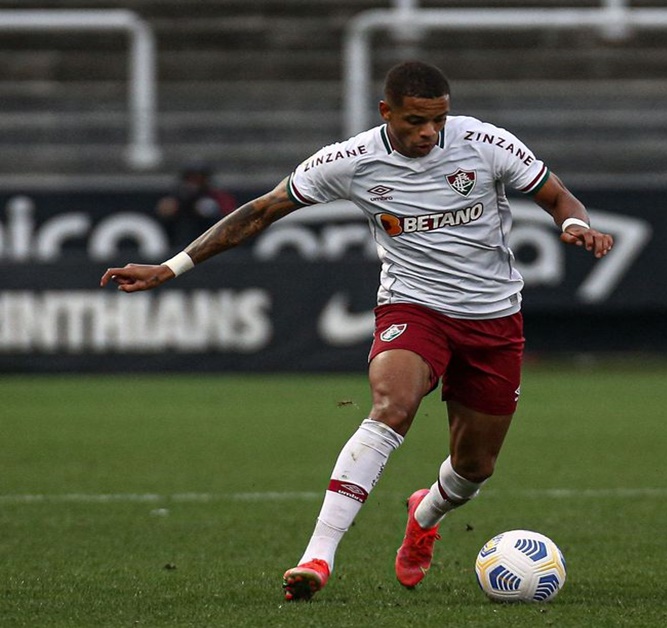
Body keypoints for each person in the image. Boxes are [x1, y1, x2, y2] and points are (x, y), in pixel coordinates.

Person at [100, 61, 614, 602]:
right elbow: (261, 211)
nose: (428, 133)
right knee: (393, 405)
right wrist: (171, 266)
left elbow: (558, 197)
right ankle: (317, 556)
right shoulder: (350, 160)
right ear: (385, 111)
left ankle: (426, 512)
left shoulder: (486, 142)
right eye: (415, 120)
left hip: (493, 318)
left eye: (437, 121)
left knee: (473, 468)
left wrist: (575, 225)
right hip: (413, 308)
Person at [155, 162, 238, 248]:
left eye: (199, 179)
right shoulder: (176, 197)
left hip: (209, 243)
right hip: (179, 243)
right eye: (191, 179)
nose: (194, 183)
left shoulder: (217, 197)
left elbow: (230, 218)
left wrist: (212, 212)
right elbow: (164, 216)